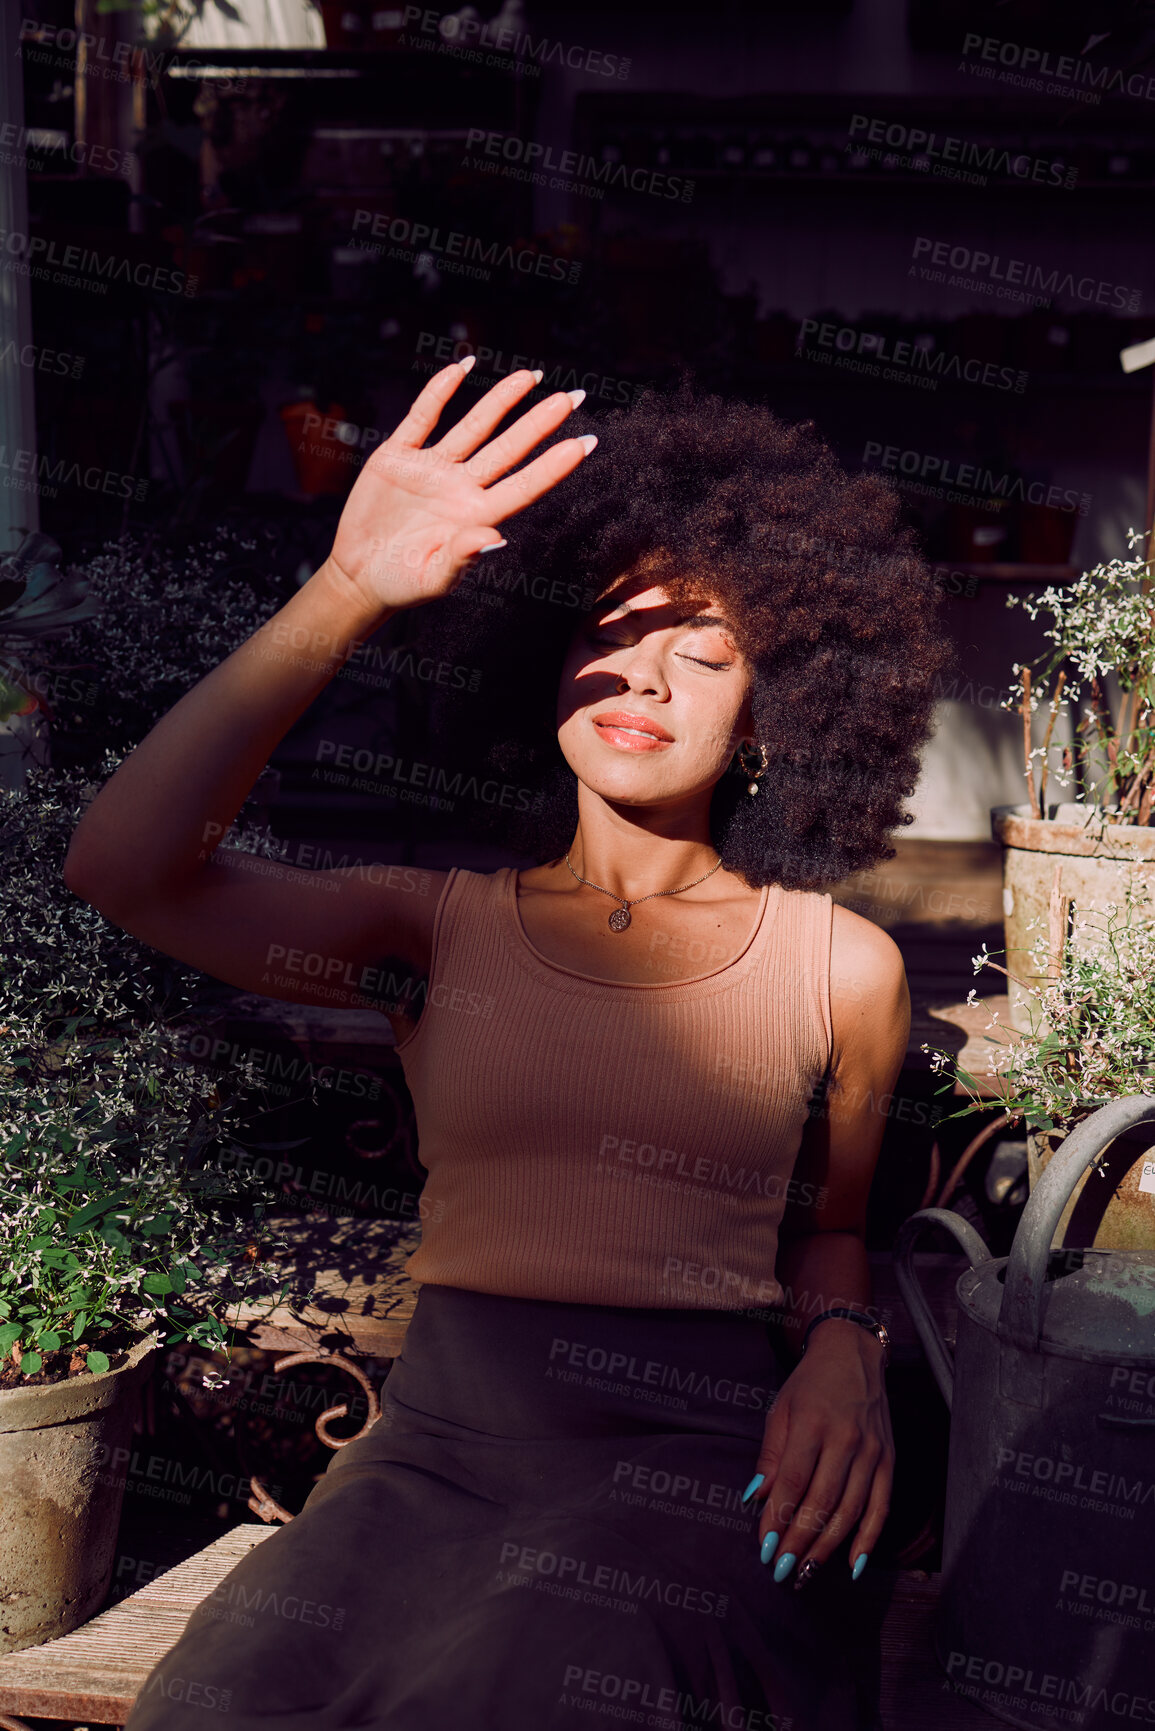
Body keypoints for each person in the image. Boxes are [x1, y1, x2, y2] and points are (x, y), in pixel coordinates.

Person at [65, 362, 948, 1731]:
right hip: (437, 1454)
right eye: (609, 628)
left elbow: (835, 1234)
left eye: (706, 649)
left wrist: (844, 1348)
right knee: (226, 1704)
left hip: (692, 1461)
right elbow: (125, 868)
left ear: (774, 713)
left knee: (526, 1684)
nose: (644, 668)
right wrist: (346, 585)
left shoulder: (844, 965)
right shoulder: (433, 927)